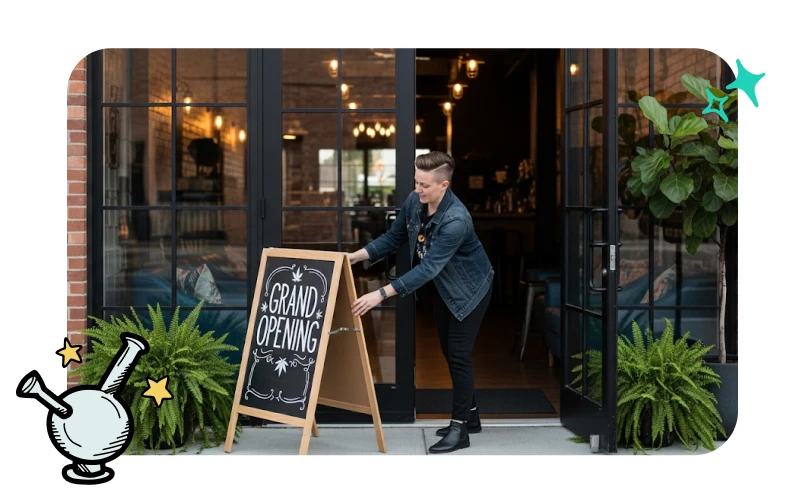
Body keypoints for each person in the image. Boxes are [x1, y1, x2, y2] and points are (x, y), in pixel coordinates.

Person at [349, 151, 494, 454]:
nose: (417, 190)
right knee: (449, 350)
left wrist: (380, 293)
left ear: (443, 186)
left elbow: (428, 268)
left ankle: (460, 429)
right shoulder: (416, 201)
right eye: (416, 182)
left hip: (471, 289)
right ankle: (471, 415)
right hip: (444, 287)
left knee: (458, 354)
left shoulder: (456, 220)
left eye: (424, 185)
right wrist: (355, 257)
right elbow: (393, 237)